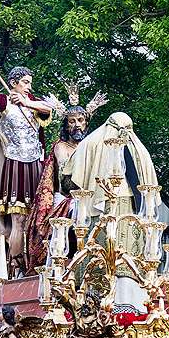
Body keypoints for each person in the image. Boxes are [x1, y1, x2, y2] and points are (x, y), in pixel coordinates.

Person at [60, 112, 160, 313]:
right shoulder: (139, 148)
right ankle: (132, 305)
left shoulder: (93, 141)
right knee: (128, 254)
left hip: (99, 205)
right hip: (133, 208)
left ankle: (95, 305)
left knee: (101, 252)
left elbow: (68, 181)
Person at [0, 59, 52, 279]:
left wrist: (27, 103)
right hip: (15, 165)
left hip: (37, 165)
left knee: (41, 217)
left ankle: (38, 262)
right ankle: (17, 269)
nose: (28, 87)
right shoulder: (2, 102)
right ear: (13, 82)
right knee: (19, 219)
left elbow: (50, 108)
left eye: (30, 83)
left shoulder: (33, 102)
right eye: (25, 82)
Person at [23, 83, 107, 275]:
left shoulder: (91, 149)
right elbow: (67, 176)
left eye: (81, 120)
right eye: (72, 121)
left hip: (88, 195)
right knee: (80, 211)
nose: (77, 124)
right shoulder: (61, 147)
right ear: (66, 124)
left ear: (86, 123)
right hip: (65, 196)